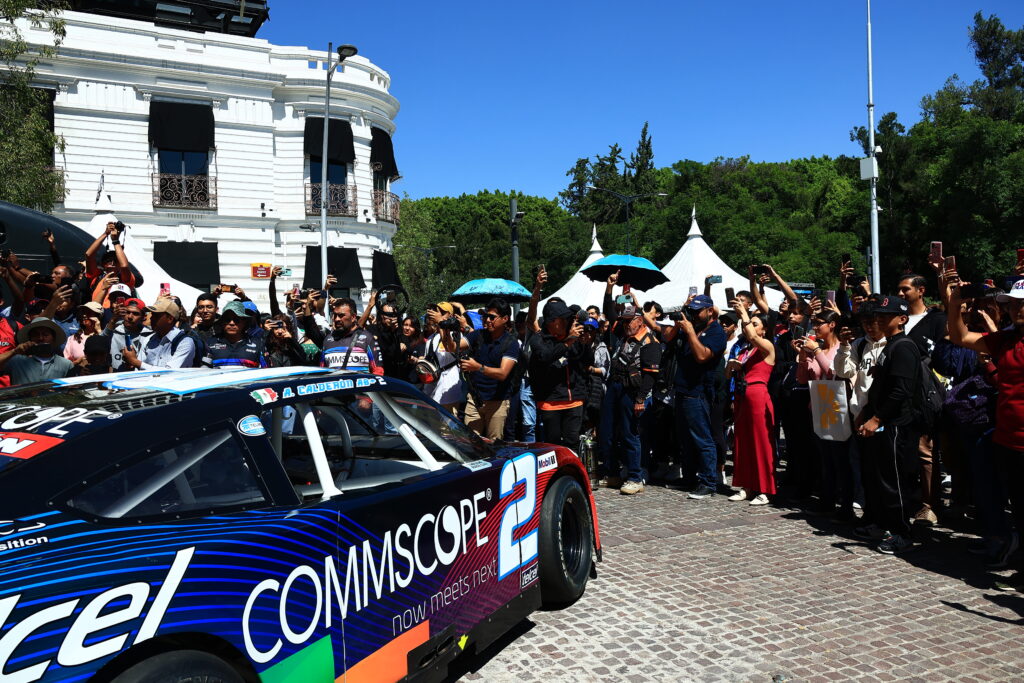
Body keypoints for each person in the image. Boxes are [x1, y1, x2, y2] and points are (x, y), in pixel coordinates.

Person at [946, 274, 1024, 589]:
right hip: (1007, 439)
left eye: (1022, 304)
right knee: (1019, 508)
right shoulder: (1004, 339)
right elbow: (960, 338)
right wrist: (954, 303)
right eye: (1013, 304)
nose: (1017, 309)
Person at [855, 296, 922, 555]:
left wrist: (877, 418)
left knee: (894, 482)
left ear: (902, 319)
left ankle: (902, 532)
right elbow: (881, 387)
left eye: (886, 316)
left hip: (896, 425)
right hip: (883, 422)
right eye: (877, 316)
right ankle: (882, 524)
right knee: (879, 478)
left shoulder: (903, 346)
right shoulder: (889, 345)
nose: (879, 320)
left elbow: (900, 392)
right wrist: (865, 411)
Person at [663, 295, 727, 499]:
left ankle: (708, 482)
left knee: (702, 438)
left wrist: (690, 332)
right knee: (685, 438)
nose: (694, 314)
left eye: (697, 310)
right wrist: (683, 323)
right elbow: (667, 338)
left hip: (698, 392)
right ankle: (689, 477)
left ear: (710, 311)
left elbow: (702, 356)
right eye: (691, 310)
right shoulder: (692, 326)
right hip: (682, 390)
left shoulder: (716, 332)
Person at [897, 273, 948, 526]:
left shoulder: (936, 320)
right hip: (899, 393)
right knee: (903, 449)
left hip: (925, 393)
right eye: (899, 290)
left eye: (905, 289)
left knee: (925, 450)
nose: (901, 294)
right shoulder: (898, 319)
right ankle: (906, 497)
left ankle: (930, 504)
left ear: (920, 291)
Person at [596, 302, 661, 495]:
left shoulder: (650, 342)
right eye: (623, 321)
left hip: (632, 391)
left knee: (629, 434)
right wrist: (609, 290)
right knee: (607, 432)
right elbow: (609, 312)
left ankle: (635, 476)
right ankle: (612, 473)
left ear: (640, 320)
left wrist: (640, 399)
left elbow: (651, 375)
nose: (625, 325)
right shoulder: (623, 335)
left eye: (629, 321)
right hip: (615, 387)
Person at [726, 301, 776, 505]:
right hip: (742, 393)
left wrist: (744, 314)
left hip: (757, 395)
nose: (751, 327)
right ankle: (746, 486)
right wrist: (731, 367)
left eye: (756, 323)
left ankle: (764, 489)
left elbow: (754, 336)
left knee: (760, 442)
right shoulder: (744, 349)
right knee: (742, 442)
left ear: (764, 329)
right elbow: (728, 373)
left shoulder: (767, 346)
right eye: (750, 323)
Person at [529, 300, 587, 450]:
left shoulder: (573, 336)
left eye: (568, 318)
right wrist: (567, 343)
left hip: (574, 400)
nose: (567, 321)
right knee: (553, 447)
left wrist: (582, 341)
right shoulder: (538, 338)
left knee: (572, 444)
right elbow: (545, 357)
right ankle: (555, 474)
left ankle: (572, 473)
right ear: (552, 321)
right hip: (550, 402)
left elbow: (587, 360)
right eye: (563, 318)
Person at [460, 297, 521, 440]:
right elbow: (452, 347)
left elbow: (502, 374)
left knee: (494, 444)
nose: (487, 320)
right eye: (485, 316)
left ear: (505, 318)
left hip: (497, 402)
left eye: (492, 317)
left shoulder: (511, 343)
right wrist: (444, 330)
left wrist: (478, 367)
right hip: (474, 399)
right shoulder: (478, 334)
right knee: (470, 442)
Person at [304, 297, 384, 375]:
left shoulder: (367, 338)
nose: (337, 319)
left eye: (341, 315)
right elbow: (322, 372)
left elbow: (378, 371)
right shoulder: (328, 340)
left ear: (353, 317)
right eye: (335, 315)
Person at [122, 299, 196, 370]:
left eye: (156, 315)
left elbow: (170, 372)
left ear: (170, 319)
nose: (151, 318)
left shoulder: (185, 342)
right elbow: (139, 372)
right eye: (152, 314)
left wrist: (136, 362)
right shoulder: (148, 340)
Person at [0, 317, 73, 384]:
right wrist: (14, 352)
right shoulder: (16, 361)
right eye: (36, 335)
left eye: (45, 335)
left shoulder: (66, 364)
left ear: (53, 339)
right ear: (30, 339)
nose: (40, 338)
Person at [205, 300, 267, 368]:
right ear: (222, 322)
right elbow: (203, 371)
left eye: (237, 320)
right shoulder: (210, 343)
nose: (232, 323)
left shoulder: (258, 344)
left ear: (244, 323)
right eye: (227, 319)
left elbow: (266, 372)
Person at [104, 297, 148, 372]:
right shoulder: (114, 330)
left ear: (143, 317)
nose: (130, 316)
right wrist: (113, 319)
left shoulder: (149, 335)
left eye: (135, 314)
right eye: (127, 312)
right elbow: (99, 342)